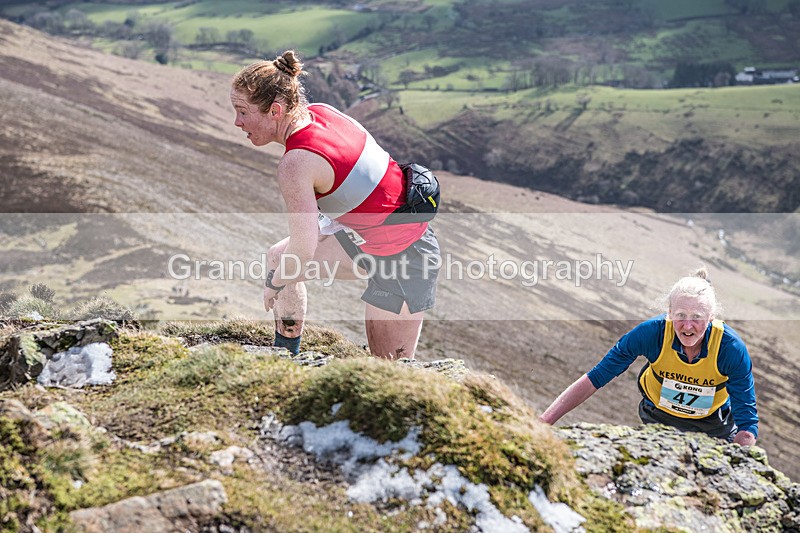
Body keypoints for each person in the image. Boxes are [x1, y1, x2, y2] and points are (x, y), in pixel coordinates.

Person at [230, 50, 440, 359]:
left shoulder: (296, 163)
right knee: (279, 257)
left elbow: (302, 251)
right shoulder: (322, 111)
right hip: (380, 237)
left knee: (389, 367)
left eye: (242, 111)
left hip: (404, 258)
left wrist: (273, 285)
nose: (237, 122)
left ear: (275, 110)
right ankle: (285, 357)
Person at [538, 267, 758, 446]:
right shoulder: (651, 333)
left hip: (714, 426)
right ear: (669, 313)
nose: (688, 325)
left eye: (697, 317)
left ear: (711, 317)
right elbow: (596, 377)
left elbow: (747, 422)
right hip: (657, 417)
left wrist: (736, 464)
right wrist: (542, 423)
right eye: (680, 315)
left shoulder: (730, 348)